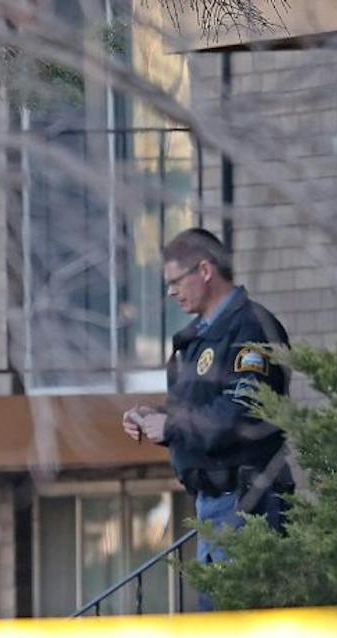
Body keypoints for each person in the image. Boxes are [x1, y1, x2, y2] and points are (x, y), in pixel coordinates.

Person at [122, 228, 292, 596]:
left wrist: (173, 425)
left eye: (175, 280)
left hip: (248, 504)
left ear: (204, 270)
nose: (170, 291)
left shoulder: (250, 327)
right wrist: (154, 418)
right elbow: (198, 413)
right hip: (213, 506)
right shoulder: (200, 337)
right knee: (218, 635)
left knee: (243, 633)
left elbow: (243, 413)